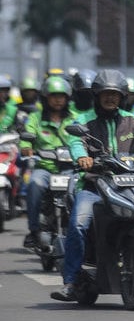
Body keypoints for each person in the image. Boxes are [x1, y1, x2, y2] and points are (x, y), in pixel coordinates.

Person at [51, 69, 134, 303]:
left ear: (122, 97)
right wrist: (83, 157)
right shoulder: (83, 121)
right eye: (105, 94)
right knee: (79, 225)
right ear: (97, 96)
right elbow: (76, 142)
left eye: (115, 94)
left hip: (132, 184)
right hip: (94, 187)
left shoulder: (133, 120)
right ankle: (70, 282)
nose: (110, 98)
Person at [19, 77, 76, 249]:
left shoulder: (74, 118)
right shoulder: (35, 118)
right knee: (34, 184)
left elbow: (83, 137)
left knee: (80, 190)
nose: (58, 100)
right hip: (45, 168)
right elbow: (26, 137)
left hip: (69, 169)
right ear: (45, 98)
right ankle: (34, 230)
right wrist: (27, 147)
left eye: (61, 96)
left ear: (67, 98)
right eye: (53, 96)